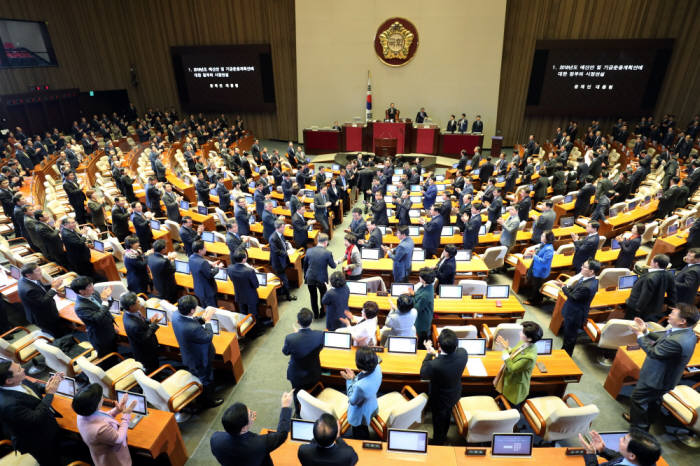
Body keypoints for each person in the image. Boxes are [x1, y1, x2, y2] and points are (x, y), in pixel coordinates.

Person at [625, 304, 699, 430]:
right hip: (666, 379)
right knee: (654, 400)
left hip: (655, 380)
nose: (669, 315)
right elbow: (663, 340)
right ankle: (649, 419)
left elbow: (653, 352)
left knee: (638, 400)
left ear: (682, 321)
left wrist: (639, 335)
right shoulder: (687, 333)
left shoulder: (677, 340)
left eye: (673, 314)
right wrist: (646, 331)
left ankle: (640, 429)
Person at [0, 363, 66, 465]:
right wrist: (49, 394)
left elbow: (33, 387)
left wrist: (50, 385)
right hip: (37, 440)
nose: (23, 369)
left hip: (48, 426)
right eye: (19, 370)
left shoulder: (18, 380)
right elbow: (36, 418)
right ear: (9, 381)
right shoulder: (9, 405)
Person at [210, 390, 294, 466]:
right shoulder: (259, 444)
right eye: (251, 415)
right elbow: (282, 435)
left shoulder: (215, 438)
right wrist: (285, 406)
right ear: (243, 428)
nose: (254, 413)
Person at [171, 294, 223, 407]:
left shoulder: (176, 314)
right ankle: (208, 401)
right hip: (200, 357)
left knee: (200, 375)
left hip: (188, 353)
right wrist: (208, 321)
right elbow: (208, 336)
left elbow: (190, 320)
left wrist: (201, 319)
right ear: (192, 310)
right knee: (206, 378)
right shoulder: (192, 329)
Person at [420, 329, 468, 445]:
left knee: (438, 419)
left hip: (439, 398)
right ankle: (443, 434)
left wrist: (428, 353)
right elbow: (448, 358)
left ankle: (438, 440)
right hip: (454, 393)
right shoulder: (463, 354)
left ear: (439, 345)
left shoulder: (434, 365)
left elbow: (423, 373)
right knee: (446, 414)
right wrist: (436, 353)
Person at [73, 383, 136, 466]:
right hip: (114, 460)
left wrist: (117, 410)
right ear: (95, 404)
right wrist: (126, 415)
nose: (103, 398)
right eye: (101, 397)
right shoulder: (100, 430)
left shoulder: (83, 412)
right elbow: (118, 439)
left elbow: (101, 417)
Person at [282, 308, 324, 414]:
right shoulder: (320, 335)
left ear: (297, 322)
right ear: (312, 320)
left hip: (297, 377)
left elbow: (285, 352)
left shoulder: (290, 338)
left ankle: (298, 411)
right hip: (314, 373)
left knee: (297, 393)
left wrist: (297, 335)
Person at [495, 321, 542, 407]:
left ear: (530, 339)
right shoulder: (524, 342)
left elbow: (512, 368)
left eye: (522, 332)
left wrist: (504, 350)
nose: (519, 333)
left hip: (515, 385)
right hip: (509, 379)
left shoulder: (529, 357)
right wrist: (507, 347)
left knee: (509, 405)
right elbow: (515, 353)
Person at [560, 259, 601, 355]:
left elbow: (573, 297)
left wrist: (563, 287)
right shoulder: (591, 279)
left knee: (570, 337)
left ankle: (566, 355)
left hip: (574, 315)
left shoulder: (587, 286)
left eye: (585, 267)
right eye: (583, 265)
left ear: (591, 271)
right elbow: (577, 290)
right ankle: (564, 351)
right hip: (575, 311)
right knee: (568, 335)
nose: (581, 267)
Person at [17, 262, 69, 337]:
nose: (41, 273)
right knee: (57, 334)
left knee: (61, 328)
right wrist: (54, 288)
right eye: (38, 271)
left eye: (40, 269)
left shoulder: (29, 278)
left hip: (45, 310)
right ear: (28, 275)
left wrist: (53, 288)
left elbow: (40, 287)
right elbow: (44, 302)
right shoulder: (28, 289)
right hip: (42, 317)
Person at [341, 346, 382, 439]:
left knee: (360, 432)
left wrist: (350, 380)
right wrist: (355, 378)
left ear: (358, 364)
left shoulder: (360, 387)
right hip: (372, 404)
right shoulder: (378, 367)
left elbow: (352, 400)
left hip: (360, 414)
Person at [72, 276, 117, 357]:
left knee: (114, 349)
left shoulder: (94, 292)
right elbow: (97, 318)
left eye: (91, 284)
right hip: (100, 336)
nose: (92, 287)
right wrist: (105, 301)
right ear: (81, 291)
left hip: (108, 327)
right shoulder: (80, 307)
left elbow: (105, 307)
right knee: (108, 357)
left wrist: (108, 297)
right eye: (89, 286)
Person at [624, 254, 677, 321]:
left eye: (652, 260)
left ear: (656, 264)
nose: (651, 261)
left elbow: (645, 295)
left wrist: (638, 309)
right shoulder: (669, 275)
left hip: (639, 308)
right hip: (655, 307)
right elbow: (672, 292)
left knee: (631, 323)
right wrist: (671, 305)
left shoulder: (650, 278)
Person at [120, 292, 161, 373]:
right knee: (152, 368)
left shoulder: (130, 313)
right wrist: (154, 324)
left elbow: (140, 319)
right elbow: (145, 337)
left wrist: (149, 320)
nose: (140, 302)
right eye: (137, 302)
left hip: (143, 345)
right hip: (145, 351)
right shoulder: (133, 325)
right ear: (131, 307)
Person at [579, 429, 661, 466]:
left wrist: (590, 454)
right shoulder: (645, 459)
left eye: (624, 440)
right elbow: (620, 457)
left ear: (632, 455)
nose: (620, 439)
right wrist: (602, 449)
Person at [303, 233, 336, 318]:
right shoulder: (327, 253)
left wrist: (305, 276)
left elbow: (305, 265)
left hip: (310, 278)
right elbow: (333, 266)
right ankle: (322, 312)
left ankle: (315, 314)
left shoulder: (309, 251)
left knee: (313, 296)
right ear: (325, 242)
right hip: (322, 279)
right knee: (323, 296)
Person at [226, 249, 261, 319]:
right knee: (252, 316)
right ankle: (255, 329)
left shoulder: (229, 268)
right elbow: (256, 285)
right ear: (244, 259)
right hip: (251, 297)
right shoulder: (249, 271)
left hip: (239, 296)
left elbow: (232, 279)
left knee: (243, 314)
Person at [524, 231, 555, 306]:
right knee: (535, 284)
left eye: (543, 236)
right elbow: (539, 252)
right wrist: (533, 252)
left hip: (540, 270)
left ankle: (533, 301)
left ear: (547, 238)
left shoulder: (549, 249)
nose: (541, 236)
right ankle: (537, 299)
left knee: (536, 286)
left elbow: (544, 261)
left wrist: (534, 255)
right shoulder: (543, 244)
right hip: (535, 267)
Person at [189, 240, 223, 307]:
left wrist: (211, 265)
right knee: (212, 310)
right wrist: (217, 268)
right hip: (208, 291)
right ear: (199, 250)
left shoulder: (191, 258)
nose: (206, 249)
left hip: (199, 290)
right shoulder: (203, 262)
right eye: (204, 248)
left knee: (205, 308)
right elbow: (210, 275)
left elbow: (199, 268)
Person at [270, 220, 296, 302]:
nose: (284, 228)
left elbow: (282, 243)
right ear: (278, 228)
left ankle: (282, 291)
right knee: (284, 279)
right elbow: (276, 251)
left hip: (283, 260)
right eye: (283, 227)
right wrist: (286, 252)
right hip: (278, 262)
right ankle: (288, 296)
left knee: (284, 277)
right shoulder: (273, 238)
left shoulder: (280, 234)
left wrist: (286, 246)